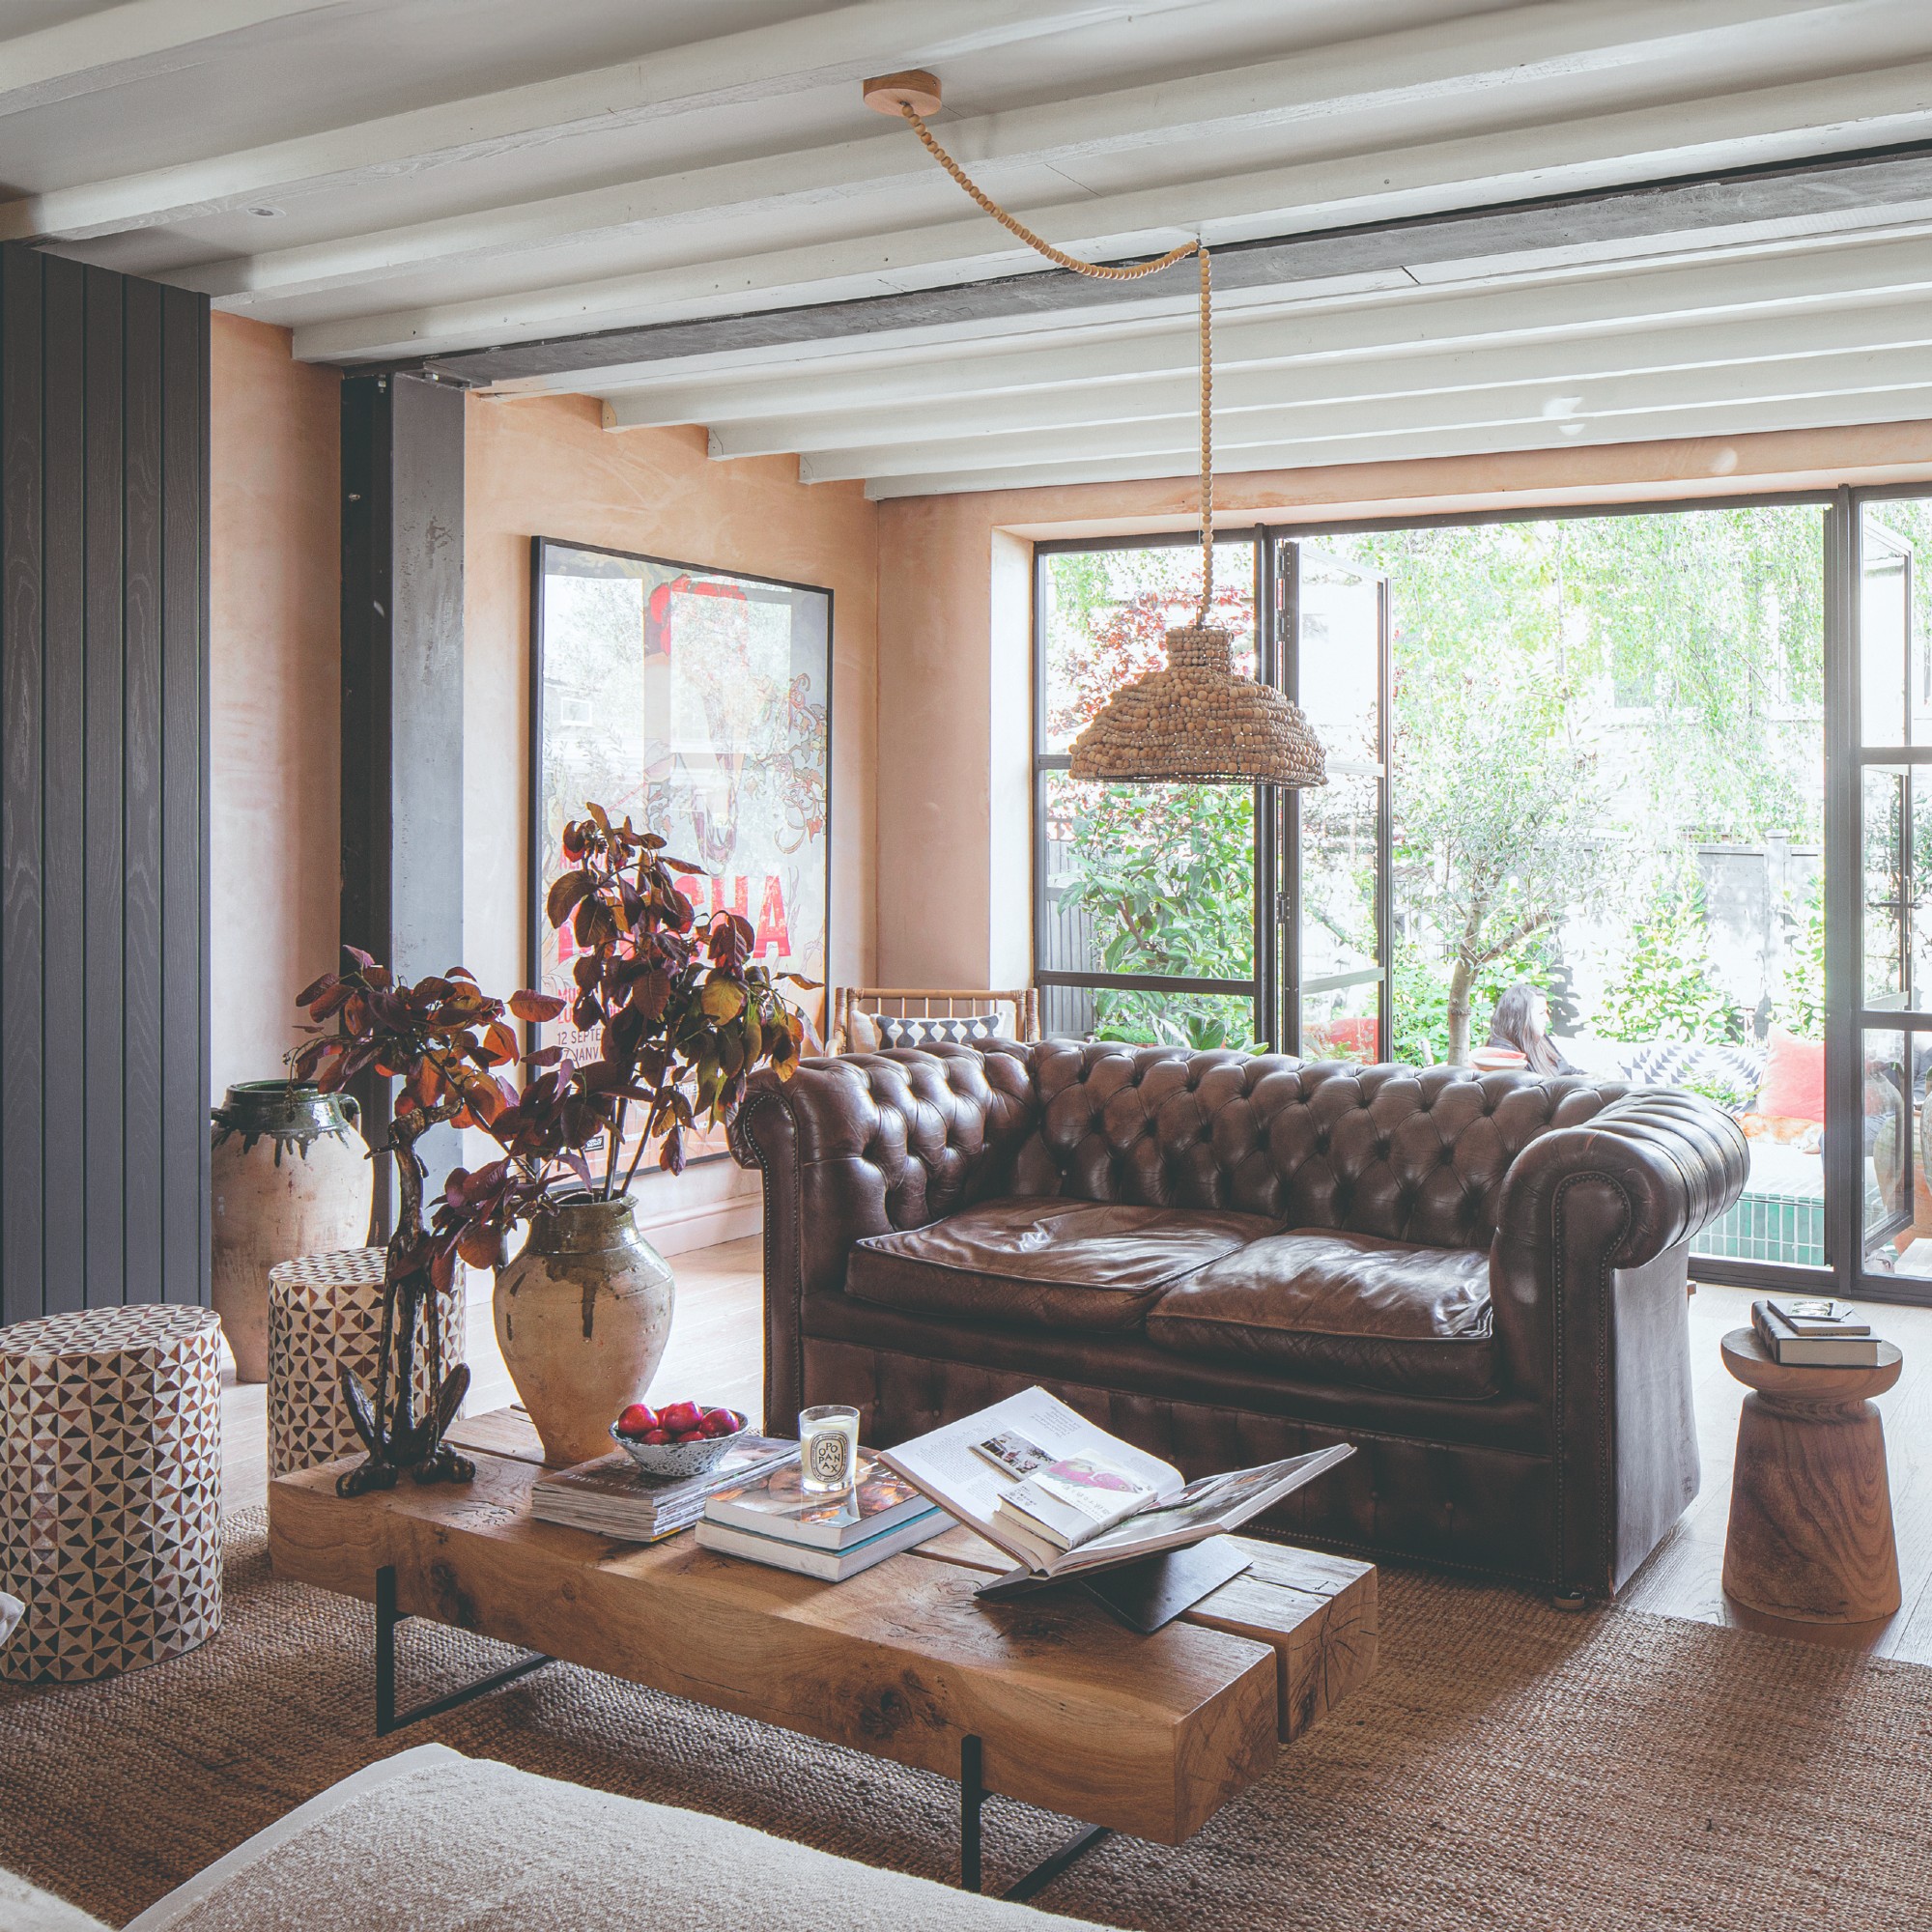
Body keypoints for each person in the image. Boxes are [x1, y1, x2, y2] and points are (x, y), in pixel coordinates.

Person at [1488, 980, 1578, 1076]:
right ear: (1521, 1018)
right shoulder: (1505, 1057)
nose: (1547, 1019)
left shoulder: (1539, 1038)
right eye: (1541, 1013)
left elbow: (1566, 1070)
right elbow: (1532, 1089)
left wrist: (1590, 1077)